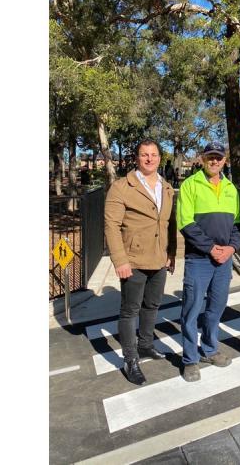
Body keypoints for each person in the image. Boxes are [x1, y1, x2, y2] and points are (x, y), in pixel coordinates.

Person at [104, 139, 177, 386]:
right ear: (137, 158)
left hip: (159, 258)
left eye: (153, 154)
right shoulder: (122, 187)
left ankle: (146, 345)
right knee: (130, 310)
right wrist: (120, 260)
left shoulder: (166, 187)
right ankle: (130, 358)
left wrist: (172, 253)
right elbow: (111, 226)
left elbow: (168, 223)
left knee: (152, 305)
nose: (149, 159)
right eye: (144, 155)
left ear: (159, 158)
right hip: (132, 260)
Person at [176, 141, 240, 382]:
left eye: (218, 157)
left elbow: (237, 224)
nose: (214, 161)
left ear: (224, 160)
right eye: (210, 157)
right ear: (202, 159)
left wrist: (231, 248)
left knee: (216, 308)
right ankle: (190, 359)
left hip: (224, 261)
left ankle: (210, 349)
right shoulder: (190, 185)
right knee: (192, 309)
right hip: (198, 260)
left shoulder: (230, 188)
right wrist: (211, 248)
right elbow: (185, 223)